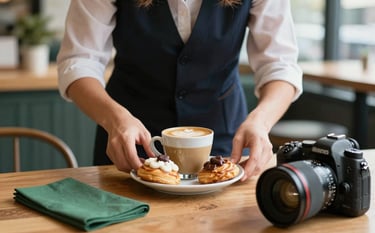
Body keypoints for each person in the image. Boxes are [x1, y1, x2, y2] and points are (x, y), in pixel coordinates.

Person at [57, 0, 303, 181]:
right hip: (129, 140)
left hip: (225, 141)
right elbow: (79, 62)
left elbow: (279, 65)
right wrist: (115, 120)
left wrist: (260, 122)